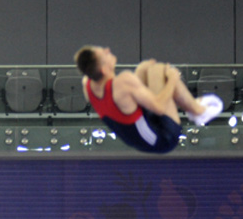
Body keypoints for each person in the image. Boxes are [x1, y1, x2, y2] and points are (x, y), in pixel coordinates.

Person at [75, 46, 222, 154]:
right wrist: (173, 79)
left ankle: (195, 109)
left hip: (142, 131)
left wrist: (140, 72)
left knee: (146, 69)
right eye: (104, 54)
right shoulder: (122, 82)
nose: (107, 50)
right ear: (104, 70)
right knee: (163, 72)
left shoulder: (87, 84)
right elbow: (158, 107)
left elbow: (124, 102)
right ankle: (198, 111)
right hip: (162, 138)